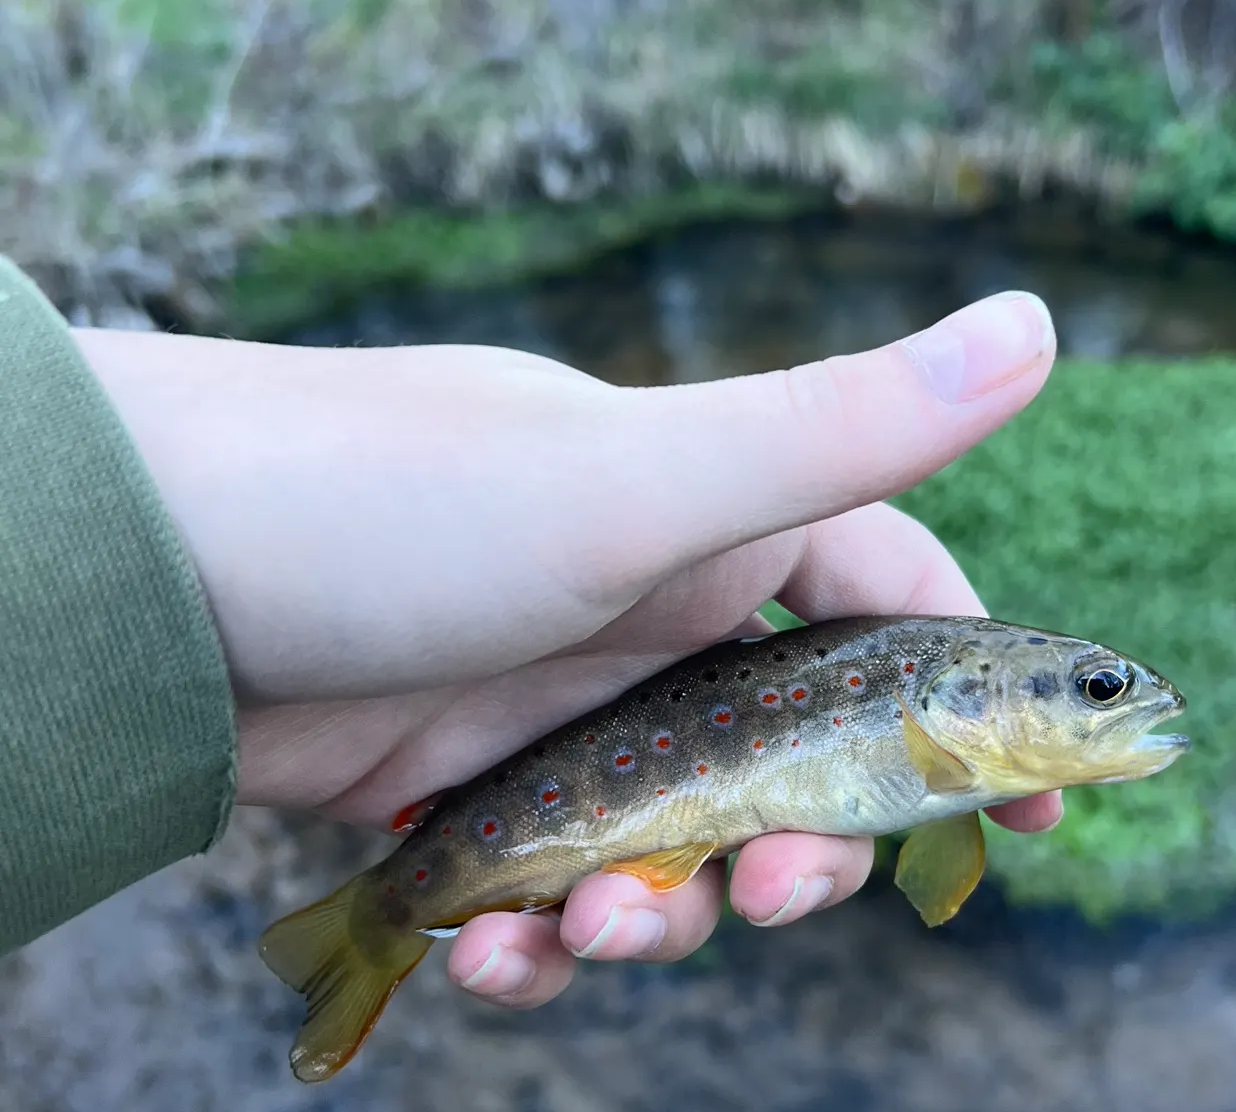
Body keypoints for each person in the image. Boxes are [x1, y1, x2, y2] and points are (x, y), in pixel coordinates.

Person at [0, 252, 1060, 1010]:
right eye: (1095, 692)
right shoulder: (925, 707)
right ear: (963, 698)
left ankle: (384, 919)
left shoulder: (947, 745)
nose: (1126, 706)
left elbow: (934, 873)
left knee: (630, 898)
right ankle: (380, 920)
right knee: (620, 900)